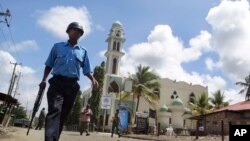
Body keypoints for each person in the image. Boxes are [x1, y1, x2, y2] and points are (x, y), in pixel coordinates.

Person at [39, 22, 99, 141]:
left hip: (72, 86)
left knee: (63, 116)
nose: (76, 32)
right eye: (74, 30)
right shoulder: (57, 47)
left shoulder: (83, 51)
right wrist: (44, 80)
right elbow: (49, 65)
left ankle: (54, 138)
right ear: (68, 31)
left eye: (79, 32)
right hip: (57, 83)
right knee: (55, 110)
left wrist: (93, 79)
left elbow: (86, 69)